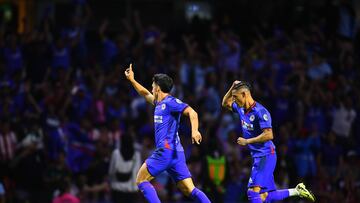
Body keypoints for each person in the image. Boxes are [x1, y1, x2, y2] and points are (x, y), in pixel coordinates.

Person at [125, 64, 210, 203]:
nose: (151, 88)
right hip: (176, 153)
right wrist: (132, 81)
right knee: (190, 190)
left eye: (153, 85)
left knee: (141, 180)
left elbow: (192, 112)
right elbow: (145, 93)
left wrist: (195, 130)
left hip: (165, 151)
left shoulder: (171, 102)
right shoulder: (159, 103)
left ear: (158, 87)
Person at [221, 80, 316, 203]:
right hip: (257, 156)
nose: (233, 99)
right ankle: (297, 191)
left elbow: (269, 134)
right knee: (266, 196)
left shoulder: (260, 112)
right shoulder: (241, 109)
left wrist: (247, 141)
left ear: (244, 94)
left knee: (252, 192)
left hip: (265, 155)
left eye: (235, 96)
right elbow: (225, 103)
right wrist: (232, 86)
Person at [109, 134, 141, 202]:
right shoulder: (136, 155)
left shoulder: (116, 153)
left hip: (117, 191)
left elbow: (111, 172)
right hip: (131, 191)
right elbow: (137, 173)